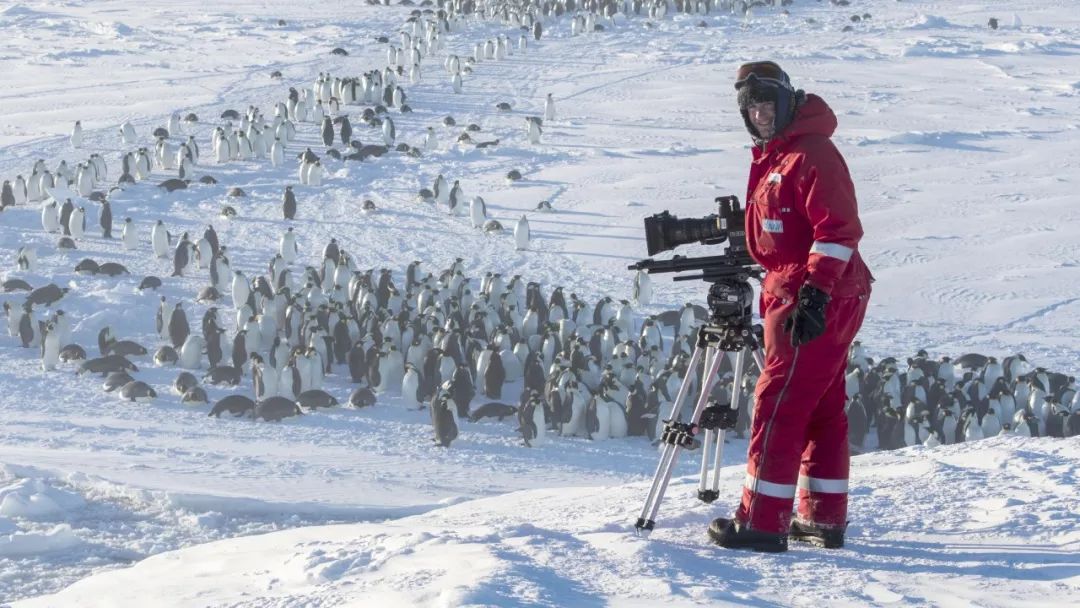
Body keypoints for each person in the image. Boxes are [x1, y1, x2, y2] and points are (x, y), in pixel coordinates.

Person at [707, 61, 873, 552]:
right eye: (751, 107)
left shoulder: (811, 153)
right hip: (802, 290)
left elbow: (838, 229)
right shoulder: (779, 153)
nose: (759, 114)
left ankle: (761, 520)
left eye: (766, 104)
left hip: (814, 295)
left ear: (787, 102)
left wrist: (816, 293)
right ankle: (822, 517)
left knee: (778, 405)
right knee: (820, 408)